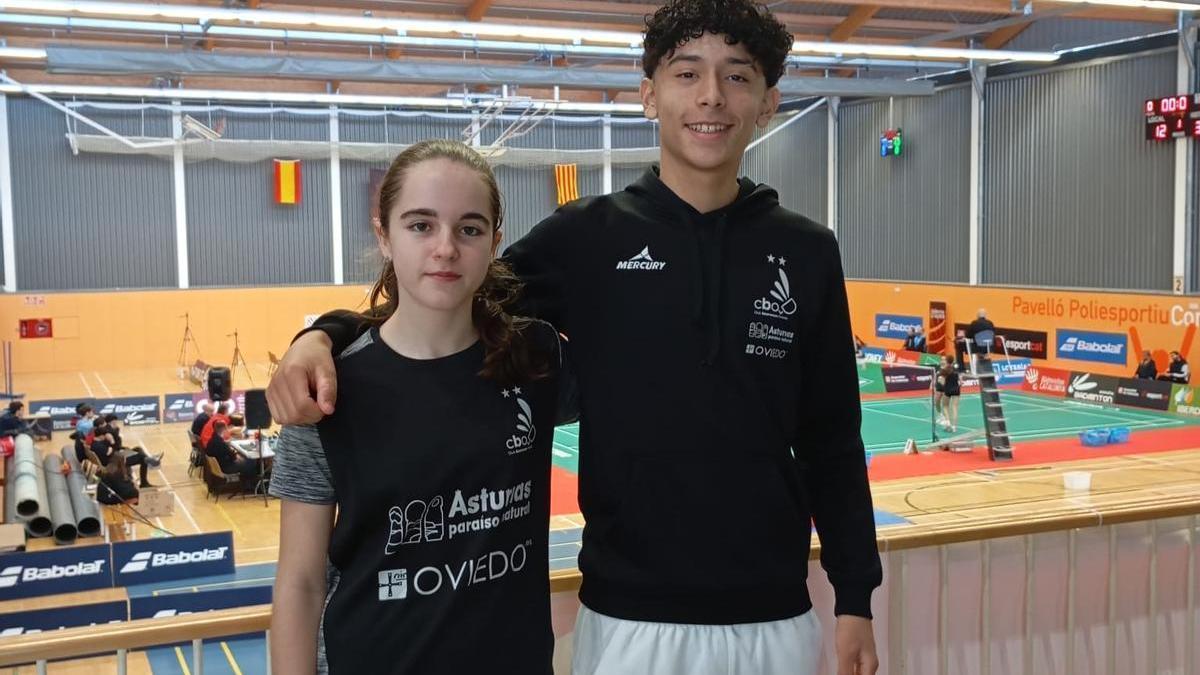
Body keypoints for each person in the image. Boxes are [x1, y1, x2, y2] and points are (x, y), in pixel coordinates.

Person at [267, 1, 882, 673]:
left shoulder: (807, 250)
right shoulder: (588, 236)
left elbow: (833, 437)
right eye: (686, 74)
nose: (711, 95)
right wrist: (326, 334)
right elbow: (451, 291)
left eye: (738, 76)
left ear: (768, 102)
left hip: (773, 613)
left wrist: (855, 594)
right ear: (649, 95)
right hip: (626, 617)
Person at [269, 140, 571, 675]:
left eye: (470, 229)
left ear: (496, 241)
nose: (446, 248)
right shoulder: (327, 386)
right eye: (420, 225)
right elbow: (300, 582)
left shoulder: (537, 359)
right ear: (383, 234)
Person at [939, 356, 961, 433]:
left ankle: (948, 423)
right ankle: (954, 427)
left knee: (945, 406)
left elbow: (941, 381)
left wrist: (943, 384)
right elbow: (960, 381)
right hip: (956, 390)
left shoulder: (944, 370)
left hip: (948, 390)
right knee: (954, 408)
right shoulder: (956, 368)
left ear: (947, 361)